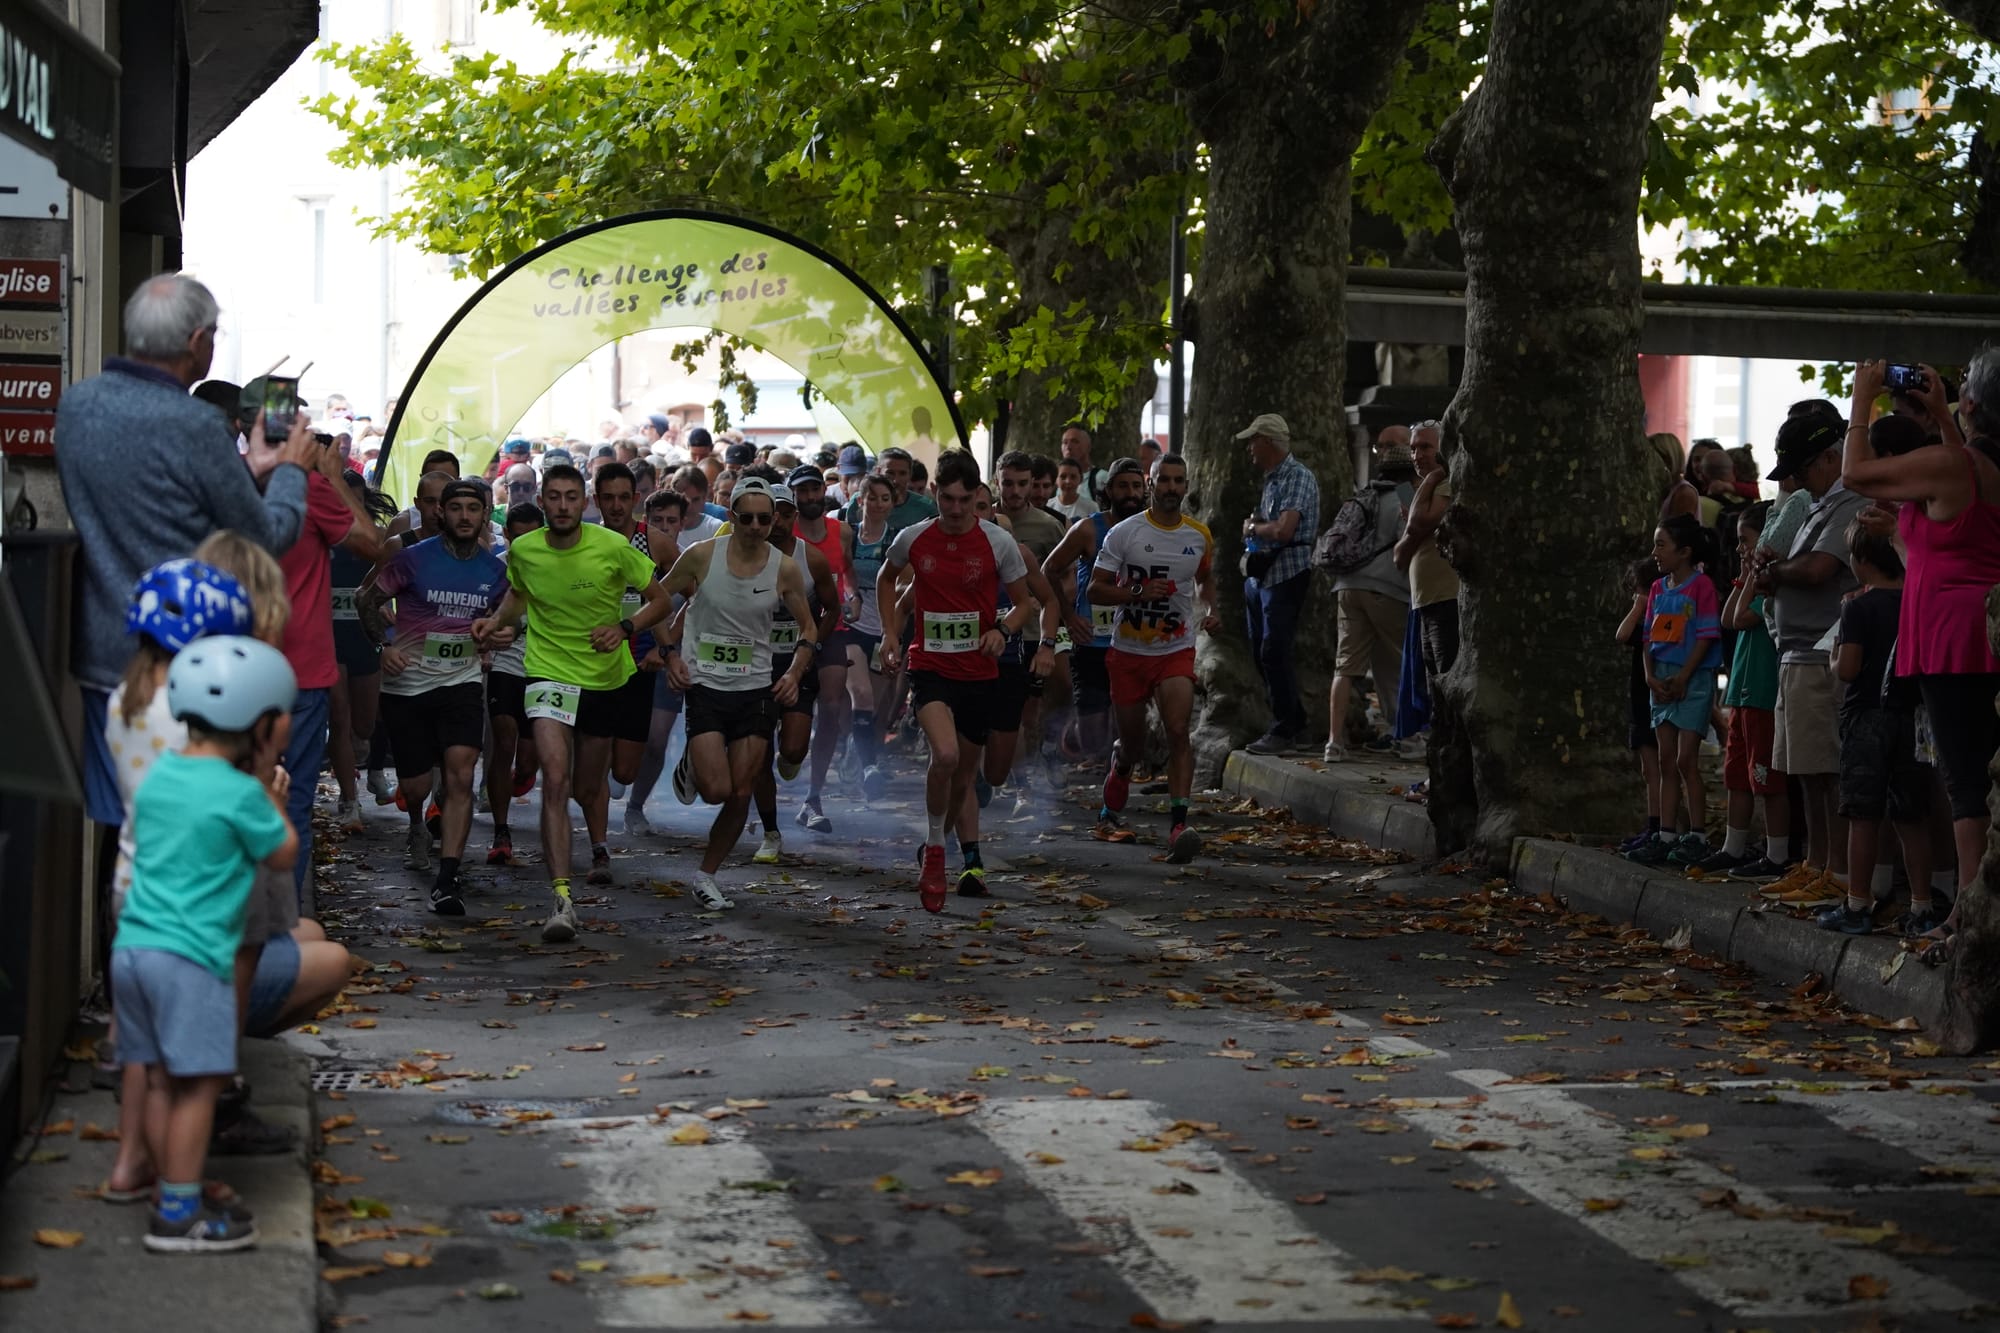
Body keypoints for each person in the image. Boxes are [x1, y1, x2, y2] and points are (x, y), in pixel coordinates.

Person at [56, 273, 317, 841]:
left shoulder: (77, 405)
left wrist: (248, 471)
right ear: (198, 341)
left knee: (119, 824)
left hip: (103, 652)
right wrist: (292, 468)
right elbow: (267, 536)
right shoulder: (195, 423)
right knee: (187, 829)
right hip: (190, 664)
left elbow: (154, 496)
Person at [112, 635, 297, 1252]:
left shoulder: (163, 774)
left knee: (162, 1080)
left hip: (134, 952)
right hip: (192, 963)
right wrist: (274, 799)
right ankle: (179, 1215)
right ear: (262, 723)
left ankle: (172, 1190)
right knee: (199, 1088)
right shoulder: (242, 793)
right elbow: (281, 854)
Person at [469, 463, 671, 944]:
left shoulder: (613, 548)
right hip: (547, 676)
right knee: (554, 782)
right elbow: (519, 598)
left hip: (604, 680)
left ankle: (593, 840)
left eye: (570, 498)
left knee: (587, 785)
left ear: (585, 503)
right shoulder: (525, 549)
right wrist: (498, 624)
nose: (561, 506)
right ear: (542, 501)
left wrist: (624, 629)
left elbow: (661, 600)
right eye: (553, 497)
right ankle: (561, 899)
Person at [1840, 359, 2000, 961]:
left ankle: (1966, 914)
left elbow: (1856, 473)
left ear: (1975, 407)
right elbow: (1967, 487)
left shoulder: (1950, 464)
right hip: (1984, 627)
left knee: (1963, 782)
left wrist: (1862, 399)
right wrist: (1940, 415)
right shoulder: (1974, 463)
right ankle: (1969, 906)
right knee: (1977, 776)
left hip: (1950, 638)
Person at [877, 452, 1035, 911]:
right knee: (943, 755)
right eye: (947, 498)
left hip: (980, 672)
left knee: (965, 776)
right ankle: (934, 851)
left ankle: (953, 853)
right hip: (929, 666)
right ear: (935, 494)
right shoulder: (914, 538)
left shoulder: (997, 542)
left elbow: (1024, 605)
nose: (957, 508)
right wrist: (890, 633)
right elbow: (888, 581)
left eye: (966, 499)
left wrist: (1000, 630)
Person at [661, 478, 819, 909]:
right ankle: (694, 761)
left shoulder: (785, 567)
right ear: (730, 517)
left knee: (740, 791)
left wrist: (795, 672)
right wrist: (669, 654)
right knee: (715, 790)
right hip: (707, 686)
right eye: (745, 517)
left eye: (764, 519)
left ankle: (706, 877)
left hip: (756, 688)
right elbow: (659, 599)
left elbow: (809, 629)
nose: (754, 526)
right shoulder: (701, 556)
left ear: (774, 522)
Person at [362, 480, 510, 915]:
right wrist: (383, 646)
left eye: (473, 509)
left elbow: (507, 620)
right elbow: (366, 600)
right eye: (456, 509)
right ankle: (415, 824)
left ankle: (448, 880)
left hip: (461, 682)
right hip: (407, 684)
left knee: (461, 774)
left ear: (485, 516)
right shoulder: (411, 560)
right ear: (440, 514)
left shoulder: (495, 571)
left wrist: (501, 632)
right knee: (417, 785)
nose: (465, 516)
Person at [1742, 413, 1868, 903]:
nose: (1796, 480)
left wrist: (1775, 575)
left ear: (1830, 458)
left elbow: (1818, 569)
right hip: (1797, 654)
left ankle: (1836, 870)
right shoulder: (1820, 504)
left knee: (1828, 771)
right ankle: (1815, 862)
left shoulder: (1849, 501)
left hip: (1821, 654)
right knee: (1808, 772)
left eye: (1802, 468)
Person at [274, 423, 384, 904]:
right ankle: (283, 922)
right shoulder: (311, 487)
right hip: (298, 667)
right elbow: (372, 543)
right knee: (293, 801)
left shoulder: (229, 478)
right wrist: (334, 478)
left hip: (229, 666)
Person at [1088, 454, 1218, 860]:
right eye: (1164, 480)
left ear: (1186, 485)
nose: (1172, 488)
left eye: (1179, 481)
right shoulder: (1125, 533)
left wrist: (1211, 609)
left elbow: (1205, 579)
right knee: (1133, 746)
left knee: (1179, 730)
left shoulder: (1199, 535)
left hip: (1175, 649)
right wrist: (1139, 593)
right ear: (1151, 482)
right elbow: (1095, 589)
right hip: (1128, 651)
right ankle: (1118, 778)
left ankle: (1179, 824)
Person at [1817, 523, 1935, 934]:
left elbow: (1847, 669)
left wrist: (1833, 656)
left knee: (1863, 815)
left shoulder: (1858, 609)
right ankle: (1922, 906)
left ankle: (1858, 903)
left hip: (1867, 715)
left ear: (1862, 563)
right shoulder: (1917, 602)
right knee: (1911, 814)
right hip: (1913, 716)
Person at [1703, 503, 1794, 878]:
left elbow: (1741, 618)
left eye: (1746, 541)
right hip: (1741, 692)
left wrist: (1752, 577)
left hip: (1762, 691)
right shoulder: (1751, 583)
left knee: (1766, 778)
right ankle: (1733, 846)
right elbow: (1726, 618)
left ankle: (1777, 854)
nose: (1740, 548)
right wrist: (1744, 575)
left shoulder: (1771, 586)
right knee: (1737, 774)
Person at [1626, 515, 1723, 866]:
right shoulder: (1656, 588)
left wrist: (1684, 676)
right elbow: (1648, 636)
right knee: (1666, 759)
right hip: (1661, 681)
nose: (1655, 552)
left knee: (1685, 760)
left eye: (1661, 544)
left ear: (1684, 552)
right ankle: (1665, 834)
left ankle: (1697, 835)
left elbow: (1705, 635)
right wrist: (1651, 676)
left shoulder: (1702, 587)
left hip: (1692, 680)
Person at [1042, 459, 1148, 765]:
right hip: (1092, 641)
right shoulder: (1088, 528)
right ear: (1109, 490)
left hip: (1134, 640)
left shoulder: (1152, 529)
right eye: (1123, 486)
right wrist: (1069, 616)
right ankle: (1069, 738)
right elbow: (1050, 569)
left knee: (1123, 720)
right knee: (1093, 735)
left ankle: (1111, 776)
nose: (1130, 492)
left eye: (1136, 486)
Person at [587, 463, 669, 856]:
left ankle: (614, 795)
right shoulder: (581, 540)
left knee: (625, 770)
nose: (617, 506)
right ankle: (599, 846)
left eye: (624, 497)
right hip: (590, 664)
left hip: (637, 663)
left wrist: (665, 645)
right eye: (608, 498)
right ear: (596, 500)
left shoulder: (653, 541)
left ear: (636, 500)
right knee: (596, 760)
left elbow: (692, 589)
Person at [1323, 444, 1416, 762]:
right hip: (1387, 589)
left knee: (1345, 666)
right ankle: (1408, 736)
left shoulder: (1364, 495)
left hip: (1347, 586)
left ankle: (1334, 743)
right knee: (1403, 662)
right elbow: (1410, 537)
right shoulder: (1406, 494)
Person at [1238, 413, 1320, 754]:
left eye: (1253, 442)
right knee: (1263, 650)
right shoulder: (1272, 480)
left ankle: (1284, 729)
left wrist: (1253, 529)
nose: (1250, 451)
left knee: (1274, 650)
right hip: (1263, 577)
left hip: (1286, 573)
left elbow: (1284, 531)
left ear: (1268, 442)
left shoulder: (1296, 477)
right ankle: (1295, 720)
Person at [329, 471, 400, 829]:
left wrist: (381, 605)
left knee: (364, 723)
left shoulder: (376, 537)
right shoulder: (319, 532)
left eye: (354, 498)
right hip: (328, 636)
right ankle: (349, 801)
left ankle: (369, 766)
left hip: (364, 635)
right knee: (339, 720)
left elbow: (390, 580)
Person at [787, 465, 856, 833]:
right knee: (786, 716)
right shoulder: (784, 533)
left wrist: (855, 593)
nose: (811, 497)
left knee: (831, 705)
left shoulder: (841, 531)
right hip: (789, 631)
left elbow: (847, 570)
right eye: (804, 492)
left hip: (832, 627)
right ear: (793, 495)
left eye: (816, 490)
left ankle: (813, 796)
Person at [1395, 420, 1460, 768]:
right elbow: (1400, 553)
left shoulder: (1445, 482)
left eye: (1425, 447)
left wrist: (1433, 479)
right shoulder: (1411, 488)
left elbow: (1420, 522)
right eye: (1414, 447)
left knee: (1446, 685)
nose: (1417, 455)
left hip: (1446, 598)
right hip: (1423, 600)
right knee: (1432, 686)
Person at [485, 502, 545, 865]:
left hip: (543, 668)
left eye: (532, 537)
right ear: (506, 535)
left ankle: (522, 775)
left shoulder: (555, 564)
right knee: (503, 742)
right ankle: (501, 831)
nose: (524, 545)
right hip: (505, 667)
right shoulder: (495, 568)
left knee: (527, 761)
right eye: (517, 538)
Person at [840, 474, 898, 799]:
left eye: (884, 498)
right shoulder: (847, 537)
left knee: (871, 706)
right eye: (871, 497)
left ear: (892, 504)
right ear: (860, 501)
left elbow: (905, 585)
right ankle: (868, 766)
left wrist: (894, 631)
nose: (877, 504)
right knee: (860, 694)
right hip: (851, 626)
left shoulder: (896, 540)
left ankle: (854, 750)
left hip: (884, 630)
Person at [1053, 459, 1092, 523]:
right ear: (1055, 479)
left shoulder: (1090, 507)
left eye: (1073, 477)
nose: (1068, 481)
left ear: (1081, 479)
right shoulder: (1049, 506)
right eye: (1063, 477)